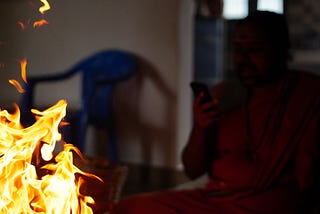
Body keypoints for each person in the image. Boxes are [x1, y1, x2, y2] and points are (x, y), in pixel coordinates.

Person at [114, 11, 320, 214]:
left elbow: (307, 179)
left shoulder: (307, 95)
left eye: (255, 49)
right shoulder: (226, 95)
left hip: (266, 204)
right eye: (238, 49)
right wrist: (201, 127)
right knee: (127, 207)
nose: (243, 58)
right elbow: (193, 170)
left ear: (280, 50)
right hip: (216, 201)